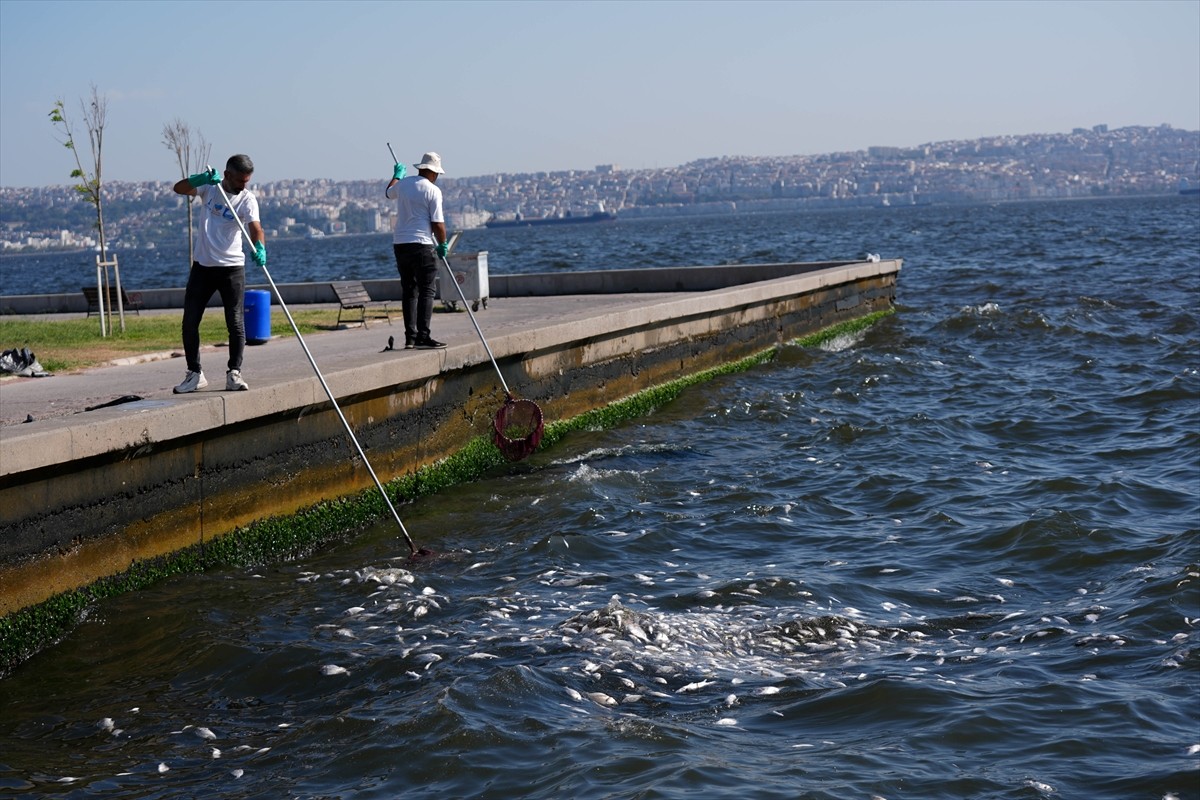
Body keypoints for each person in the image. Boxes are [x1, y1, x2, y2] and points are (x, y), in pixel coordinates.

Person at [171, 154, 266, 392]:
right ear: (226, 175)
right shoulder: (209, 188)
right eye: (240, 181)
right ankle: (194, 374)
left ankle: (234, 373)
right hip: (202, 266)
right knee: (190, 321)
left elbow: (255, 228)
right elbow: (178, 188)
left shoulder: (247, 199)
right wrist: (199, 178)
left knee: (235, 323)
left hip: (232, 268)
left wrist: (260, 247)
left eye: (247, 181)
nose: (243, 185)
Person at [386, 151, 449, 349]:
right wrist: (443, 244)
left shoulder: (403, 184)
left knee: (409, 291)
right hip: (422, 244)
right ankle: (423, 335)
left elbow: (389, 193)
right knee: (427, 290)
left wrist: (397, 175)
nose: (437, 177)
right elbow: (437, 223)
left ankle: (410, 338)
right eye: (437, 173)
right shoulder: (433, 190)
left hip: (401, 245)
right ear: (432, 172)